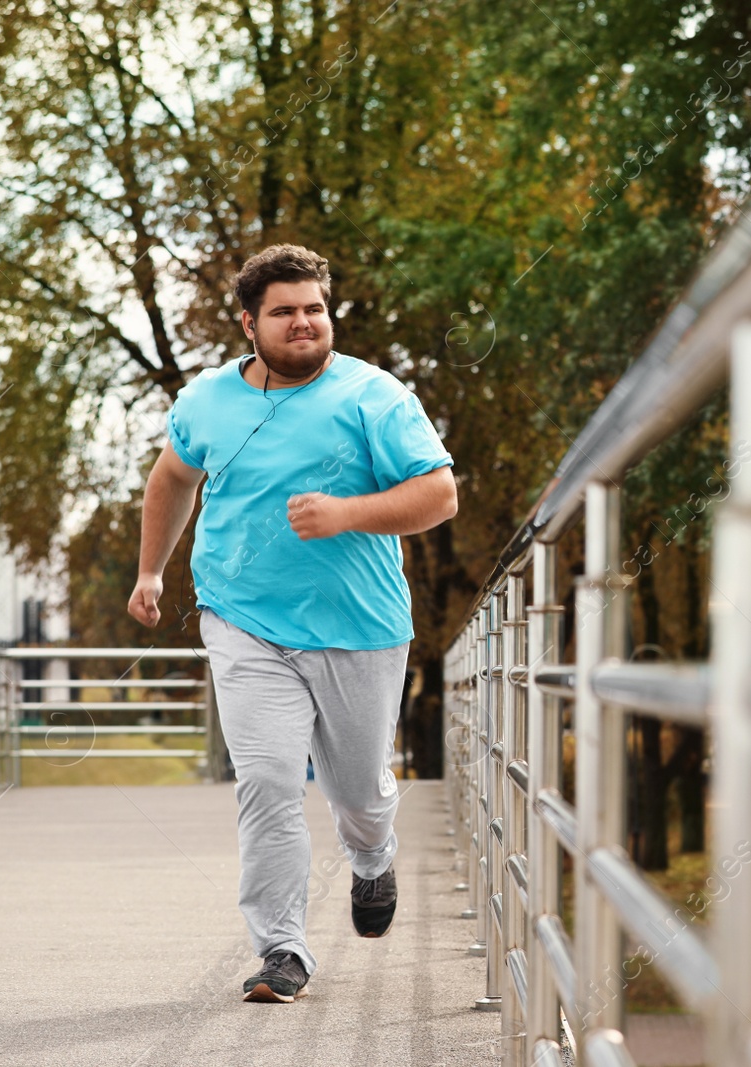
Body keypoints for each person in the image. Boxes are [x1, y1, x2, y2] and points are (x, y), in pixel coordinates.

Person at [127, 244, 458, 1003]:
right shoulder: (207, 401)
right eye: (285, 311)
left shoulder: (375, 396)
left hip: (360, 626)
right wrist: (152, 570)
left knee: (357, 792)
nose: (305, 322)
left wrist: (347, 512)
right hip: (242, 620)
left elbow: (439, 495)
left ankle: (372, 860)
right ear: (249, 323)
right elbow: (172, 478)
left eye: (315, 308)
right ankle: (282, 948)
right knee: (270, 782)